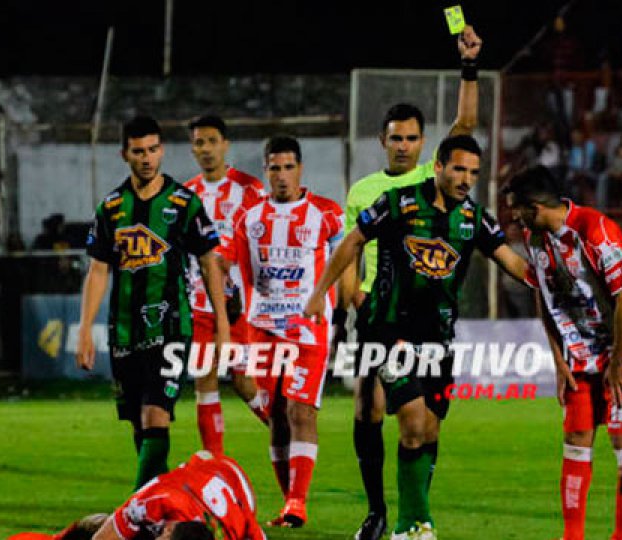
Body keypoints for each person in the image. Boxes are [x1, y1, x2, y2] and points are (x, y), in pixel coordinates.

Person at [305, 135, 529, 540]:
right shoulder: (399, 203)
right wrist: (321, 293)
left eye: (474, 173)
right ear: (439, 166)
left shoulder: (475, 218)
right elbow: (353, 240)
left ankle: (415, 519)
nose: (466, 179)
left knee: (428, 430)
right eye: (459, 169)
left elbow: (508, 258)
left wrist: (546, 282)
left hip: (438, 337)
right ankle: (410, 524)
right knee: (408, 420)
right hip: (390, 330)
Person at [341, 24, 482, 540]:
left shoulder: (432, 178)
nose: (403, 145)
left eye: (411, 138)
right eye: (395, 138)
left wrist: (468, 64)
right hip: (376, 312)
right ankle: (379, 510)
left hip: (423, 314)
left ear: (424, 143)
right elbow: (351, 246)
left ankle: (411, 508)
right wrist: (351, 296)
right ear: (382, 141)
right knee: (368, 406)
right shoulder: (364, 189)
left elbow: (466, 121)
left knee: (419, 415)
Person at [502, 165, 622, 540]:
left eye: (517, 210)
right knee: (575, 439)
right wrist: (559, 360)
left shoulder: (597, 232)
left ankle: (621, 537)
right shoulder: (536, 237)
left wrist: (619, 362)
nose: (513, 219)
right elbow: (544, 291)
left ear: (537, 207)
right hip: (580, 353)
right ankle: (572, 537)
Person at [76, 115, 230, 488]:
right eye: (138, 151)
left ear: (161, 150)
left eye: (153, 149)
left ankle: (134, 507)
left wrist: (222, 326)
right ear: (124, 154)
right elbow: (98, 270)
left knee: (156, 414)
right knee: (138, 421)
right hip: (124, 331)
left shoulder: (183, 203)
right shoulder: (112, 207)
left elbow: (210, 263)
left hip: (171, 327)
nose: (147, 158)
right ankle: (156, 505)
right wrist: (85, 330)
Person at [224, 135, 345, 528]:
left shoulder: (327, 215)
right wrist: (242, 329)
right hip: (263, 327)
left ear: (300, 169)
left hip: (308, 328)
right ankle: (287, 503)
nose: (281, 175)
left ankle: (298, 501)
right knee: (276, 414)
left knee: (300, 409)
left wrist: (338, 306)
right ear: (265, 171)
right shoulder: (248, 219)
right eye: (274, 168)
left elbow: (347, 258)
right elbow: (241, 277)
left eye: (288, 167)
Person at [182, 114, 269, 455]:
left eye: (211, 141)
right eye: (199, 143)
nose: (206, 149)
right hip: (201, 303)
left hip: (241, 305)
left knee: (244, 381)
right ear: (192, 149)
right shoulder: (187, 195)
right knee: (204, 379)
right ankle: (214, 463)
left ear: (225, 145)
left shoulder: (250, 190)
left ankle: (284, 437)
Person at [8, 451, 264, 540]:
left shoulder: (234, 524)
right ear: (167, 530)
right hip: (219, 471)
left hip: (221, 491)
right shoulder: (155, 502)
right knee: (96, 529)